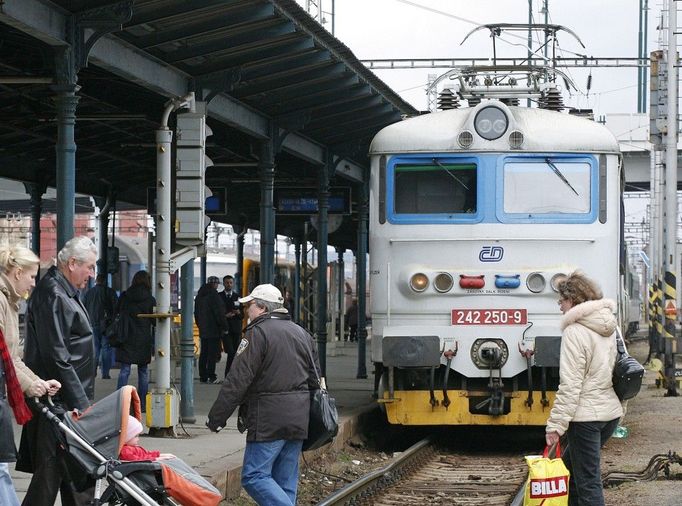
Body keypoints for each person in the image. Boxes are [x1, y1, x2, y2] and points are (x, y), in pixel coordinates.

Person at [207, 283, 319, 506]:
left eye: (250, 305)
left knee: (254, 476)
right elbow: (315, 380)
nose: (247, 310)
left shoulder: (257, 334)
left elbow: (237, 379)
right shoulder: (302, 333)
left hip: (269, 419)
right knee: (285, 481)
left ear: (262, 308)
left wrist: (217, 417)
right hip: (298, 418)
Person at [18, 236, 97, 506]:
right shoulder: (53, 293)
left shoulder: (62, 291)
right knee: (57, 472)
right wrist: (81, 403)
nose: (91, 273)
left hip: (63, 401)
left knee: (66, 473)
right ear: (72, 263)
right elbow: (56, 355)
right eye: (90, 266)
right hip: (58, 402)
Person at [545, 271, 624, 506]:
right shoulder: (609, 326)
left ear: (574, 299)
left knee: (588, 482)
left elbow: (570, 384)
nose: (560, 306)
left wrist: (556, 426)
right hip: (608, 414)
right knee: (571, 474)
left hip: (586, 418)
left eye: (562, 301)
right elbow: (619, 371)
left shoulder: (574, 331)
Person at [0, 244, 61, 506]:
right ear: (16, 273)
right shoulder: (2, 302)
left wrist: (35, 382)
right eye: (31, 276)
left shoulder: (9, 302)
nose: (33, 283)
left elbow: (12, 357)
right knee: (1, 470)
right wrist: (30, 385)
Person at [116, 270, 155, 413]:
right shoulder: (150, 299)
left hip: (126, 336)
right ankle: (142, 403)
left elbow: (117, 312)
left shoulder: (125, 296)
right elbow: (154, 321)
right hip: (143, 338)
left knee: (124, 370)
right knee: (143, 371)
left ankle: (119, 402)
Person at [83, 273, 119, 379]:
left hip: (92, 323)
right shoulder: (110, 292)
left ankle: (93, 372)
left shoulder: (89, 293)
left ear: (96, 281)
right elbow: (116, 307)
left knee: (95, 348)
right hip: (106, 325)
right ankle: (105, 373)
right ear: (104, 281)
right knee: (106, 348)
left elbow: (83, 307)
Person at [195, 276, 228, 384]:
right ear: (215, 284)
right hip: (214, 330)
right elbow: (219, 313)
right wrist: (224, 327)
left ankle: (202, 376)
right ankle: (211, 375)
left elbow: (196, 314)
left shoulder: (200, 295)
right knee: (212, 354)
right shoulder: (214, 296)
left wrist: (200, 326)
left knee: (204, 353)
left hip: (203, 329)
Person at [218, 274, 242, 376]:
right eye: (227, 282)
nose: (229, 284)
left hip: (236, 329)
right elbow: (217, 313)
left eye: (231, 282)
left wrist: (238, 313)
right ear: (223, 284)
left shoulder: (237, 297)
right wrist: (225, 316)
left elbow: (242, 315)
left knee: (237, 352)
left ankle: (232, 374)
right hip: (226, 328)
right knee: (230, 352)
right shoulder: (219, 297)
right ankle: (228, 374)